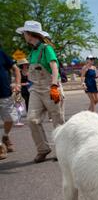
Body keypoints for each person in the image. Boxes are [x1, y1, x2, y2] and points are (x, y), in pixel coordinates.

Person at [16, 20, 65, 163]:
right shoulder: (32, 52)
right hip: (36, 89)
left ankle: (61, 151)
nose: (23, 35)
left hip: (50, 87)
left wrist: (55, 86)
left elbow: (54, 68)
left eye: (24, 33)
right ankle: (43, 149)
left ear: (30, 34)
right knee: (32, 119)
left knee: (57, 120)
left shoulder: (46, 49)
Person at [0, 48, 21, 160]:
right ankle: (0, 147)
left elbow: (15, 68)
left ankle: (5, 136)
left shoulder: (1, 53)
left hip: (5, 93)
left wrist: (17, 84)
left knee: (10, 119)